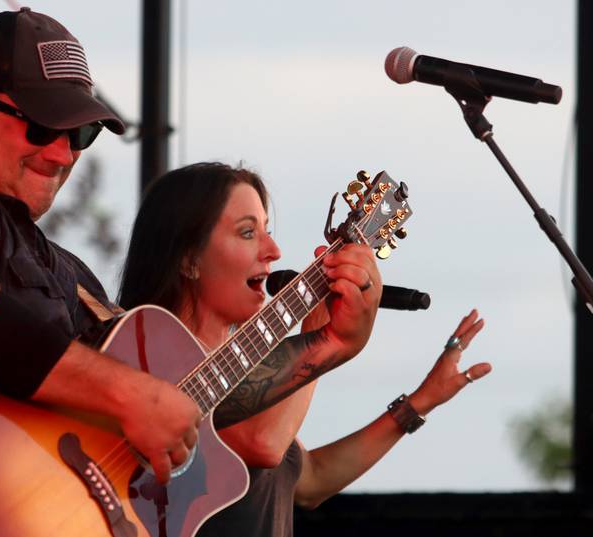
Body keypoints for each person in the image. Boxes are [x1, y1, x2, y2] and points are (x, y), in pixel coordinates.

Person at [0, 9, 381, 537]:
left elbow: (184, 405)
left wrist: (325, 343)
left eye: (78, 134)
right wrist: (129, 394)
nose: (61, 154)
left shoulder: (65, 269)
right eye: (39, 127)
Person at [118, 162, 493, 537]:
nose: (274, 250)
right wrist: (318, 336)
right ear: (188, 259)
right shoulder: (146, 360)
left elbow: (311, 479)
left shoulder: (249, 370)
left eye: (268, 231)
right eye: (248, 232)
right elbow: (263, 444)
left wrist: (419, 403)